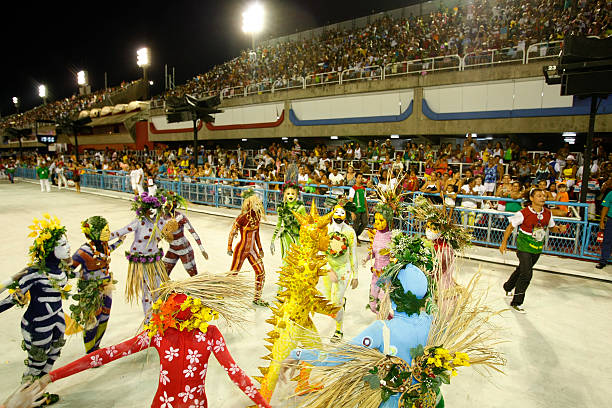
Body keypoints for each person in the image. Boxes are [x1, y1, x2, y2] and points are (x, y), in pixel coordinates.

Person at [32, 274, 272, 408]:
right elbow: (105, 355)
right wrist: (51, 376)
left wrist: (51, 377)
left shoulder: (197, 333)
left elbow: (105, 355)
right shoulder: (163, 332)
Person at [0, 215, 72, 405]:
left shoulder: (62, 269)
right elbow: (12, 298)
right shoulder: (34, 272)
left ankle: (38, 393)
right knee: (36, 362)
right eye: (63, 244)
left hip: (57, 320)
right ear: (49, 249)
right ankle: (23, 400)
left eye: (67, 243)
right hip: (37, 324)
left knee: (53, 355)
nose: (68, 247)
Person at [500, 188, 567, 313]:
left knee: (522, 269)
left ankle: (508, 286)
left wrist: (559, 229)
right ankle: (517, 302)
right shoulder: (523, 213)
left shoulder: (548, 213)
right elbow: (510, 228)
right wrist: (504, 243)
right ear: (531, 198)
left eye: (544, 196)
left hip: (537, 247)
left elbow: (552, 228)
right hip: (523, 246)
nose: (543, 198)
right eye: (539, 196)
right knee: (527, 274)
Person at [67, 216, 124, 354]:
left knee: (104, 316)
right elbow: (67, 271)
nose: (108, 232)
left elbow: (109, 249)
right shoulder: (83, 251)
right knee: (93, 320)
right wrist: (79, 275)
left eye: (107, 229)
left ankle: (96, 346)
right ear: (94, 232)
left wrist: (120, 242)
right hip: (91, 291)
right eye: (104, 229)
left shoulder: (103, 247)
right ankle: (90, 350)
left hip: (106, 287)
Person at [110, 191, 168, 316]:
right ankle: (148, 320)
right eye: (149, 208)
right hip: (140, 261)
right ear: (143, 209)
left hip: (155, 261)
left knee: (158, 289)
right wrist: (104, 237)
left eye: (155, 208)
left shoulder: (161, 221)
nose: (152, 211)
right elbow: (122, 231)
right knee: (146, 291)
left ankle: (158, 316)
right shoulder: (138, 222)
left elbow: (169, 235)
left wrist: (171, 232)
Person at [324, 204, 358, 342]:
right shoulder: (325, 230)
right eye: (336, 212)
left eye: (341, 213)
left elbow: (353, 254)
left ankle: (338, 330)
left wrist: (355, 275)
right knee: (328, 303)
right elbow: (320, 251)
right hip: (328, 268)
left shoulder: (350, 232)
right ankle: (341, 303)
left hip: (343, 269)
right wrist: (327, 269)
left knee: (335, 302)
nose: (338, 216)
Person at [228, 190, 268, 306]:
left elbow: (257, 234)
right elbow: (232, 232)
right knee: (233, 274)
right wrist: (229, 246)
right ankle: (221, 294)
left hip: (252, 250)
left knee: (261, 273)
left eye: (259, 204)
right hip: (241, 250)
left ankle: (257, 298)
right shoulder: (242, 218)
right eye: (256, 204)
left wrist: (260, 248)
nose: (258, 206)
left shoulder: (258, 217)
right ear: (249, 204)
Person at [160, 191, 208, 277]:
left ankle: (199, 288)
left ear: (173, 205)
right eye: (164, 205)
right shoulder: (162, 217)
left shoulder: (180, 217)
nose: (165, 207)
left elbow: (193, 232)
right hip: (172, 249)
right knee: (163, 272)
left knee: (193, 275)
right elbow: (159, 234)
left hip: (185, 250)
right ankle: (165, 288)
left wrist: (202, 249)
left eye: (167, 205)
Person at [270, 183, 306, 259]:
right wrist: (272, 240)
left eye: (293, 193)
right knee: (286, 259)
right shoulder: (281, 208)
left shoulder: (301, 207)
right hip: (285, 237)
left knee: (298, 259)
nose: (290, 195)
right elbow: (279, 224)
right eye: (288, 193)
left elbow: (305, 224)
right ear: (285, 195)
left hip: (298, 237)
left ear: (296, 195)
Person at [348, 172, 368, 244]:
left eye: (361, 177)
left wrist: (367, 211)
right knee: (355, 225)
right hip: (356, 210)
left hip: (363, 209)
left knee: (365, 223)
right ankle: (355, 238)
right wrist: (352, 212)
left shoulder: (363, 188)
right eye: (358, 177)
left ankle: (356, 235)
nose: (360, 179)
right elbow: (351, 201)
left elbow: (365, 200)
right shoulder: (353, 189)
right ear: (355, 179)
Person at [596, 189, 612, 269]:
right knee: (607, 241)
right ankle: (603, 261)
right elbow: (605, 207)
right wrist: (602, 221)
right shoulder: (611, 193)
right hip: (611, 220)